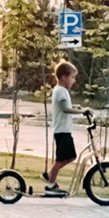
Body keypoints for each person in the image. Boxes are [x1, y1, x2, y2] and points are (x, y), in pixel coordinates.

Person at [42, 61, 80, 196]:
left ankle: (50, 176)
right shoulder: (61, 91)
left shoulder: (61, 90)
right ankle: (50, 184)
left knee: (70, 157)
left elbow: (66, 107)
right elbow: (65, 109)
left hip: (64, 130)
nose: (74, 80)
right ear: (64, 77)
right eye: (72, 77)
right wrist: (82, 112)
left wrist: (78, 109)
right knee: (61, 160)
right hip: (62, 131)